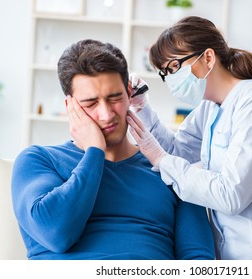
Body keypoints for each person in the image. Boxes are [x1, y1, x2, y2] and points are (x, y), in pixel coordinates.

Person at [126, 16, 252, 260]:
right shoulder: (210, 107)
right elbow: (177, 154)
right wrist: (141, 108)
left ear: (208, 58)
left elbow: (231, 194)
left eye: (175, 68)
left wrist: (160, 159)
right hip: (239, 251)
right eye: (165, 73)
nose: (170, 79)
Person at [11, 39, 215, 260]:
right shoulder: (38, 160)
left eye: (115, 98)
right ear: (70, 107)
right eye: (90, 104)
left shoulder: (171, 168)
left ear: (129, 93)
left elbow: (198, 261)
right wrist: (94, 153)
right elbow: (56, 234)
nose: (107, 114)